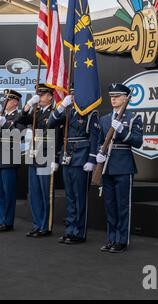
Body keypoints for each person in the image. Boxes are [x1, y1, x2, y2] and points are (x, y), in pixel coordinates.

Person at [96, 83, 143, 253]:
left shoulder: (133, 117)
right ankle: (111, 238)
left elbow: (138, 142)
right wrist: (98, 155)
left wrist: (122, 130)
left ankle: (122, 240)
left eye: (117, 96)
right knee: (110, 205)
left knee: (123, 206)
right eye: (111, 96)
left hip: (123, 166)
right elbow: (100, 141)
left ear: (125, 98)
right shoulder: (104, 119)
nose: (113, 99)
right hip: (107, 166)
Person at [47, 94, 100, 244]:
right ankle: (69, 230)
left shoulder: (90, 113)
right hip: (67, 156)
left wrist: (91, 159)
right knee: (70, 196)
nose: (73, 96)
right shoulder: (67, 111)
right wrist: (62, 106)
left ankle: (79, 232)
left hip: (81, 158)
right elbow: (51, 123)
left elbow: (94, 137)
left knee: (79, 197)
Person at [16, 84, 60, 238]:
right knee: (34, 192)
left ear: (50, 96)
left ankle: (45, 226)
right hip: (33, 154)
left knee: (45, 192)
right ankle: (36, 224)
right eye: (38, 95)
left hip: (47, 154)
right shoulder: (35, 112)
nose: (39, 98)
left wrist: (55, 157)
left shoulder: (54, 113)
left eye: (42, 95)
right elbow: (20, 120)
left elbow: (57, 136)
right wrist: (28, 105)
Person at [0, 89, 26, 233]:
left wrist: (6, 124)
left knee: (8, 192)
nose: (5, 102)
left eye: (8, 100)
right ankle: (0, 220)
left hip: (9, 158)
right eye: (4, 100)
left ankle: (8, 222)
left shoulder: (20, 116)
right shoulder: (0, 116)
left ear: (15, 102)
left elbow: (18, 135)